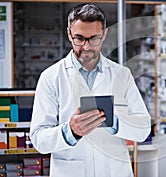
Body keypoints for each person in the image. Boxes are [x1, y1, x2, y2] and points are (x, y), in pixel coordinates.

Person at [29, 3, 151, 177]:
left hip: (114, 171)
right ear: (69, 34)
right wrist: (70, 131)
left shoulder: (122, 75)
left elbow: (144, 129)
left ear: (104, 34)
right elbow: (39, 140)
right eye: (79, 38)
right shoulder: (51, 77)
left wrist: (116, 123)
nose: (86, 47)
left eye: (94, 38)